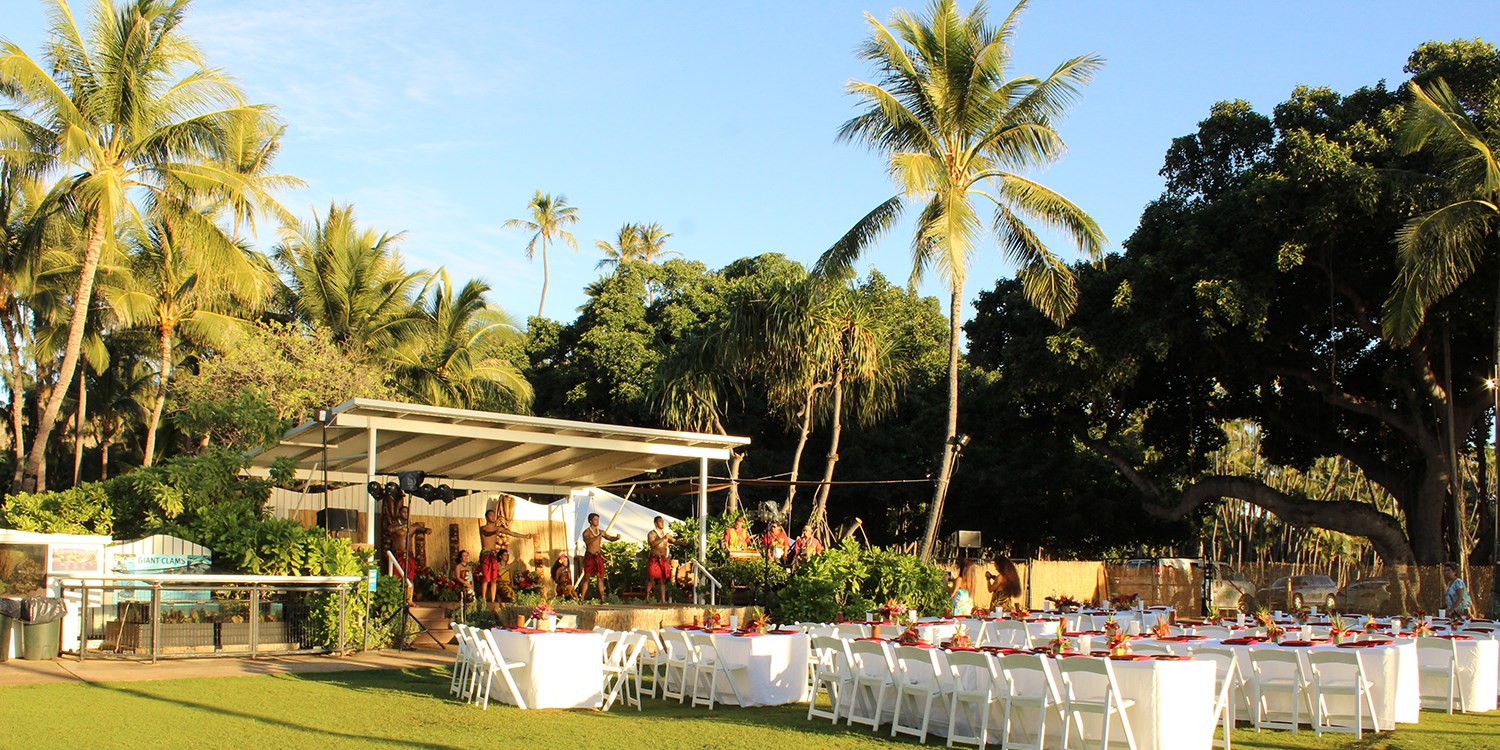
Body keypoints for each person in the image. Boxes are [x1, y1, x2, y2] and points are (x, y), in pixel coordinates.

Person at [478, 507, 534, 603]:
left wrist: (525, 536)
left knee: (494, 578)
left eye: (494, 515)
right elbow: (486, 534)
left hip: (493, 554)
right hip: (486, 554)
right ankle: (483, 600)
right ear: (487, 517)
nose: (493, 517)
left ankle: (492, 600)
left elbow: (511, 533)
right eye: (491, 515)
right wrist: (495, 532)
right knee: (486, 578)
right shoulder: (483, 528)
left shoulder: (498, 528)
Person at [577, 512, 620, 602]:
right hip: (590, 556)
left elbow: (609, 538)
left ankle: (602, 598)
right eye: (595, 519)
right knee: (587, 577)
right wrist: (597, 537)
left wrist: (616, 538)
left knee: (600, 577)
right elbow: (588, 542)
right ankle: (582, 598)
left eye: (598, 519)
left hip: (598, 556)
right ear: (590, 521)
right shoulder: (586, 532)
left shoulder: (600, 531)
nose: (597, 521)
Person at [646, 515, 682, 604]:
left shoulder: (665, 535)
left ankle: (663, 600)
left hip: (663, 559)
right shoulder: (652, 533)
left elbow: (674, 541)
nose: (662, 523)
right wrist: (663, 538)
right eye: (660, 521)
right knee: (652, 578)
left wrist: (682, 543)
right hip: (654, 558)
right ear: (655, 523)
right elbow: (652, 544)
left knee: (663, 580)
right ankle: (647, 597)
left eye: (662, 521)